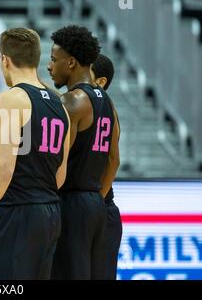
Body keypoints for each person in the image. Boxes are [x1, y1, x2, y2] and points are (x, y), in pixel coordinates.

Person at [0, 28, 70, 280]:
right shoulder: (59, 104)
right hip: (51, 212)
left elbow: (4, 168)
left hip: (18, 212)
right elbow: (59, 176)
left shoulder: (11, 99)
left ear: (5, 60)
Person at [48, 25, 120, 280]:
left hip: (70, 203)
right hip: (97, 204)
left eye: (54, 60)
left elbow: (57, 160)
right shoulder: (107, 101)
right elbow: (114, 159)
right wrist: (97, 198)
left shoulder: (70, 102)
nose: (49, 66)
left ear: (71, 62)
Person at [90, 53, 122, 280]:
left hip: (99, 203)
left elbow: (114, 160)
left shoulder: (104, 106)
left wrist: (98, 198)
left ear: (100, 82)